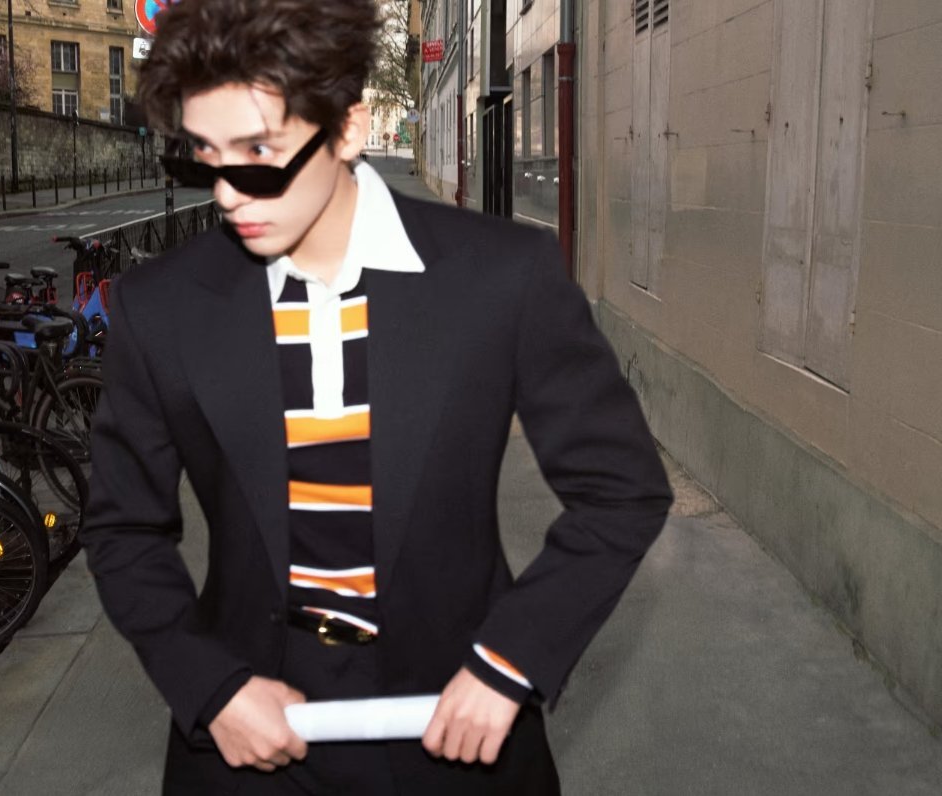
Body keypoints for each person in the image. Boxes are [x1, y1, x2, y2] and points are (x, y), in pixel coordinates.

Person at [79, 0, 673, 793]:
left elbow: (621, 491)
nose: (227, 193)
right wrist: (207, 684)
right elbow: (123, 527)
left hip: (457, 730)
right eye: (206, 156)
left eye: (259, 151)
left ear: (349, 129)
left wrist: (512, 660)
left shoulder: (502, 276)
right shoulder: (163, 307)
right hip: (249, 740)